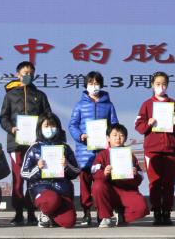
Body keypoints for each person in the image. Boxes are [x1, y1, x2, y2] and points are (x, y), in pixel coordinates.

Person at [0, 60, 53, 226]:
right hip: (16, 144)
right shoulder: (10, 95)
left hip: (34, 143)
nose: (28, 75)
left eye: (31, 73)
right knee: (18, 179)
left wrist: (41, 131)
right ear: (18, 74)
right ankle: (17, 213)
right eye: (25, 73)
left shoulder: (40, 95)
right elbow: (3, 118)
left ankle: (31, 212)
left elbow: (48, 116)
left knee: (34, 178)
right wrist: (11, 128)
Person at [67, 71, 119, 226]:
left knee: (102, 182)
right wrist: (80, 135)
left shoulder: (108, 105)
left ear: (101, 85)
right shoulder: (80, 105)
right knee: (84, 183)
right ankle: (86, 212)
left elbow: (114, 125)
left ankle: (102, 213)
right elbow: (72, 125)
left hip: (102, 151)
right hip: (85, 151)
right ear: (86, 85)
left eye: (96, 83)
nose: (94, 86)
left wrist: (111, 138)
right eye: (91, 83)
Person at [134, 72, 175, 225]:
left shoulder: (173, 103)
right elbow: (139, 126)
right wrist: (148, 123)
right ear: (152, 85)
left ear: (167, 85)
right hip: (152, 150)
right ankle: (157, 211)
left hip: (170, 149)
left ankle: (167, 212)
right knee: (155, 182)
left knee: (169, 182)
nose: (161, 87)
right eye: (157, 84)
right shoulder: (147, 104)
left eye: (163, 84)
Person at [21, 113, 81, 228]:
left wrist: (67, 165)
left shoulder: (65, 147)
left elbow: (76, 171)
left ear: (58, 127)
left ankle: (51, 217)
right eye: (46, 126)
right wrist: (37, 168)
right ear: (40, 128)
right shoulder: (34, 148)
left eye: (53, 125)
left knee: (69, 222)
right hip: (42, 189)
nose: (50, 128)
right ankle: (44, 213)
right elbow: (24, 173)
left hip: (62, 190)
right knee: (51, 199)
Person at [90, 124, 149, 227]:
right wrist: (104, 173)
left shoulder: (130, 155)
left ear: (125, 138)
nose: (118, 138)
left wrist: (135, 174)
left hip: (126, 190)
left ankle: (122, 215)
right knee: (97, 186)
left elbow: (140, 176)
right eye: (115, 135)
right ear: (108, 138)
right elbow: (94, 172)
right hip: (109, 190)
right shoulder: (102, 155)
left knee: (142, 208)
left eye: (121, 135)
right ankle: (105, 217)